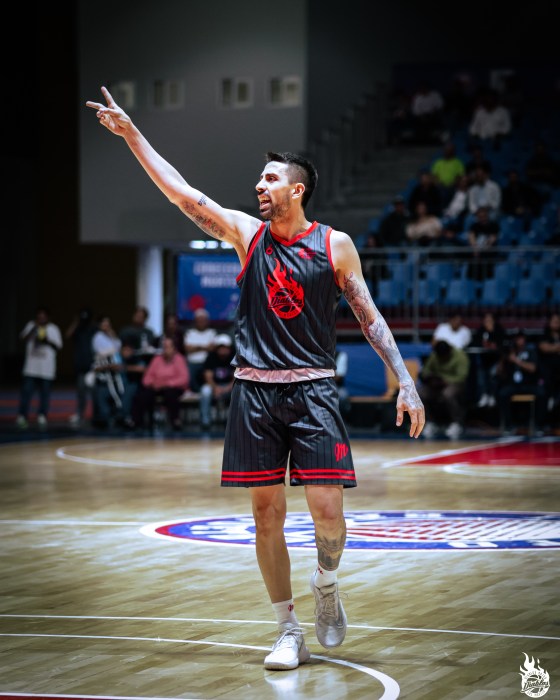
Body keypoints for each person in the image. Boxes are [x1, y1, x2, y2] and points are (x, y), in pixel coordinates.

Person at [86, 86, 424, 671]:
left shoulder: (335, 245)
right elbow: (181, 194)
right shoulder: (247, 234)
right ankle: (287, 628)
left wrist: (406, 381)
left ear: (297, 189)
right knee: (266, 516)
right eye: (259, 180)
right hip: (254, 391)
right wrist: (133, 135)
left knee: (328, 515)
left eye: (270, 179)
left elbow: (369, 316)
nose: (259, 186)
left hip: (314, 389)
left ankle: (326, 584)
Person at [15, 307, 63, 429]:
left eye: (43, 316)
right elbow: (22, 338)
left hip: (46, 369)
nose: (41, 319)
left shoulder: (53, 329)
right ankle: (22, 416)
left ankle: (42, 415)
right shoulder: (31, 325)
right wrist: (34, 328)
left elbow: (58, 346)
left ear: (48, 317)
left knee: (45, 395)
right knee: (26, 393)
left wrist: (46, 340)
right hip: (31, 368)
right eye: (39, 316)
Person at [130, 336, 190, 432]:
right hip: (156, 387)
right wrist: (153, 383)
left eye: (168, 347)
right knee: (142, 395)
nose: (165, 349)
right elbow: (146, 378)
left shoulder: (179, 359)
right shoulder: (157, 359)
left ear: (174, 348)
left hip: (173, 387)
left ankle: (175, 421)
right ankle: (135, 421)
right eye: (164, 347)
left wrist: (167, 383)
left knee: (171, 394)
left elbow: (184, 379)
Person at [497, 331, 546, 435]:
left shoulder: (530, 351)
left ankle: (538, 426)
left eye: (521, 338)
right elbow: (500, 372)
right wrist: (503, 358)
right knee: (502, 393)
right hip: (514, 385)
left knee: (542, 393)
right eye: (517, 339)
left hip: (529, 384)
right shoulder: (510, 352)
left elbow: (532, 368)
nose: (519, 341)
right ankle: (508, 426)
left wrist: (516, 360)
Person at [418, 339, 470, 440]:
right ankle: (431, 422)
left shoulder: (460, 357)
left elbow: (462, 377)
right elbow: (425, 370)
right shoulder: (434, 355)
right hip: (436, 384)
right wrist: (430, 378)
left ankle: (457, 423)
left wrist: (445, 381)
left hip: (455, 383)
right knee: (421, 393)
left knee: (448, 394)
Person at [119, 306, 157, 427]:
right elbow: (123, 352)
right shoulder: (126, 331)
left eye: (142, 316)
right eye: (137, 315)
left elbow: (151, 350)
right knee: (130, 390)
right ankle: (125, 417)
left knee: (145, 392)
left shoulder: (149, 333)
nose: (139, 318)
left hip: (145, 369)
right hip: (129, 369)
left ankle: (140, 419)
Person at [90, 315, 126, 429]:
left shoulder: (110, 336)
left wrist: (112, 335)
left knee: (117, 395)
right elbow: (102, 353)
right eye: (104, 323)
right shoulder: (97, 337)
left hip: (114, 373)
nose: (106, 325)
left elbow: (118, 346)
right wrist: (113, 352)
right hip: (104, 373)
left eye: (108, 323)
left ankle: (117, 417)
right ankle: (102, 420)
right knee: (103, 399)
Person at [64, 306, 96, 426]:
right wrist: (76, 322)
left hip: (93, 366)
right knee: (81, 392)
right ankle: (80, 413)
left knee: (94, 393)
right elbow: (67, 335)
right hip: (80, 366)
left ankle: (96, 415)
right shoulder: (78, 329)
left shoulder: (94, 329)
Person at [199, 333, 236, 431]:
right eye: (220, 347)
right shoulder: (211, 357)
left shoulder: (234, 357)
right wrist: (215, 388)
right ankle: (205, 421)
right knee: (205, 391)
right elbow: (208, 376)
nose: (223, 350)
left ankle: (233, 421)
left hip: (229, 386)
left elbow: (236, 377)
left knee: (239, 391)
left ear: (229, 348)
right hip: (214, 386)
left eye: (225, 347)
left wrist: (227, 388)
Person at [470, 312, 506, 408]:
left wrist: (491, 333)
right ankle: (484, 395)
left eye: (489, 320)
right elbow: (476, 342)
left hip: (495, 360)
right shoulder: (481, 330)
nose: (487, 322)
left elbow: (501, 345)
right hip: (483, 360)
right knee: (481, 380)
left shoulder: (499, 330)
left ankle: (492, 396)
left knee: (493, 378)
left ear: (494, 321)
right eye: (485, 320)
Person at [184, 307, 218, 392]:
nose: (201, 322)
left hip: (207, 363)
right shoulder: (189, 333)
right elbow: (188, 349)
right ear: (195, 321)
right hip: (192, 363)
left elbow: (212, 348)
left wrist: (196, 347)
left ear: (207, 321)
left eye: (203, 320)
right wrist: (205, 347)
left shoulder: (212, 333)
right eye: (199, 320)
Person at [465, 206, 499, 281]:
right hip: (477, 251)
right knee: (472, 259)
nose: (482, 218)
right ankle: (472, 281)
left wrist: (484, 248)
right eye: (480, 216)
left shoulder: (493, 226)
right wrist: (475, 249)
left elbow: (492, 239)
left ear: (487, 215)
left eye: (484, 216)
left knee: (485, 258)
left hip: (488, 251)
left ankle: (487, 280)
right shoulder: (474, 226)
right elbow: (471, 238)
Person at [537, 312, 560, 423]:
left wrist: (552, 348)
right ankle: (543, 424)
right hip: (548, 374)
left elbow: (548, 348)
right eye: (554, 321)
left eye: (558, 321)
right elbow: (544, 348)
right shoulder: (544, 335)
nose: (556, 323)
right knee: (545, 398)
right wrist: (556, 348)